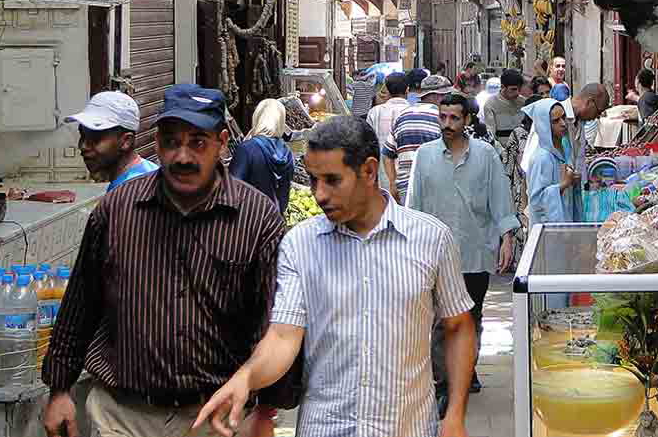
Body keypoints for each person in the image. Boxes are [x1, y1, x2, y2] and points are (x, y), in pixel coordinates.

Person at [193, 116, 477, 437]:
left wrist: (455, 415)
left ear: (369, 171)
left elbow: (458, 327)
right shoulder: (300, 244)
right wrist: (246, 377)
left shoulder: (432, 239)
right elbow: (283, 337)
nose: (319, 194)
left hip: (407, 426)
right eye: (314, 180)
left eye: (332, 180)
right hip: (325, 427)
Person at [42, 84, 294, 437]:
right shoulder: (116, 211)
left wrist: (267, 410)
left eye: (198, 142)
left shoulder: (256, 218)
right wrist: (59, 388)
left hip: (217, 416)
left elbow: (275, 322)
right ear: (157, 143)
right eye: (172, 142)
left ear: (222, 143)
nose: (183, 156)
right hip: (121, 415)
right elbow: (81, 306)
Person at [406, 94, 517, 403]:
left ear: (467, 120)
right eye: (442, 117)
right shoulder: (425, 156)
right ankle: (444, 383)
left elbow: (500, 199)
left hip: (474, 250)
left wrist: (507, 237)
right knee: (442, 319)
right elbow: (413, 205)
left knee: (471, 316)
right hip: (434, 254)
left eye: (454, 118)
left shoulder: (485, 156)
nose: (447, 124)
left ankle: (467, 369)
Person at [521, 84, 610, 221]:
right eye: (598, 111)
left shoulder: (578, 124)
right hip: (545, 217)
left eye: (563, 119)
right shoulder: (545, 125)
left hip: (564, 208)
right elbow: (530, 174)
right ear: (589, 102)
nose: (562, 124)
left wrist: (574, 181)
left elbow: (574, 164)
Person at [66, 91, 159, 192]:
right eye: (82, 135)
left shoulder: (130, 191)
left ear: (126, 141)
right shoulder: (145, 171)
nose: (83, 146)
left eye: (95, 138)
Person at [382, 75, 454, 204]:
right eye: (447, 96)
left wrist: (393, 184)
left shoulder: (402, 116)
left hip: (404, 188)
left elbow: (387, 154)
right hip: (434, 189)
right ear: (437, 96)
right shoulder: (442, 118)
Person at [230, 99, 296, 213]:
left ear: (257, 118)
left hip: (248, 221)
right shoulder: (288, 153)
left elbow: (231, 191)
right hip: (273, 221)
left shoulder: (247, 149)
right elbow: (284, 199)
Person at [524, 99, 578, 224]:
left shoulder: (563, 149)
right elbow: (537, 201)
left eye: (563, 117)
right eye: (556, 121)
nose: (563, 123)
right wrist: (564, 184)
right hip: (548, 232)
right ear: (544, 125)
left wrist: (571, 181)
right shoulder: (542, 158)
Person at [367, 72, 411, 190]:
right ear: (407, 90)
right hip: (408, 178)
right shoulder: (412, 112)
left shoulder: (375, 112)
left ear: (387, 90)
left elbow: (368, 144)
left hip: (382, 176)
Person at [482, 69, 526, 149]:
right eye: (513, 89)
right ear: (502, 87)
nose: (517, 93)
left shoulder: (523, 102)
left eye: (519, 89)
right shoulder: (491, 104)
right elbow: (491, 135)